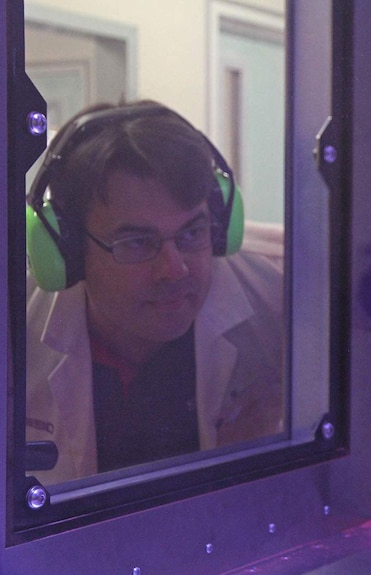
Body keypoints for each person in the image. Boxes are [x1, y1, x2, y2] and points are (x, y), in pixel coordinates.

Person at [25, 101, 285, 485]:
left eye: (192, 233)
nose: (174, 269)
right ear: (69, 250)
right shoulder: (3, 328)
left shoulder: (285, 289)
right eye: (135, 242)